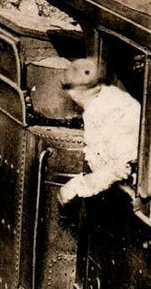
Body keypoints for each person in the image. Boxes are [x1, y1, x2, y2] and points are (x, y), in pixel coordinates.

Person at [58, 59, 143, 203]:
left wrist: (78, 186)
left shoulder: (113, 110)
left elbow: (122, 167)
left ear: (74, 93)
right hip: (114, 187)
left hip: (131, 195)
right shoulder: (103, 99)